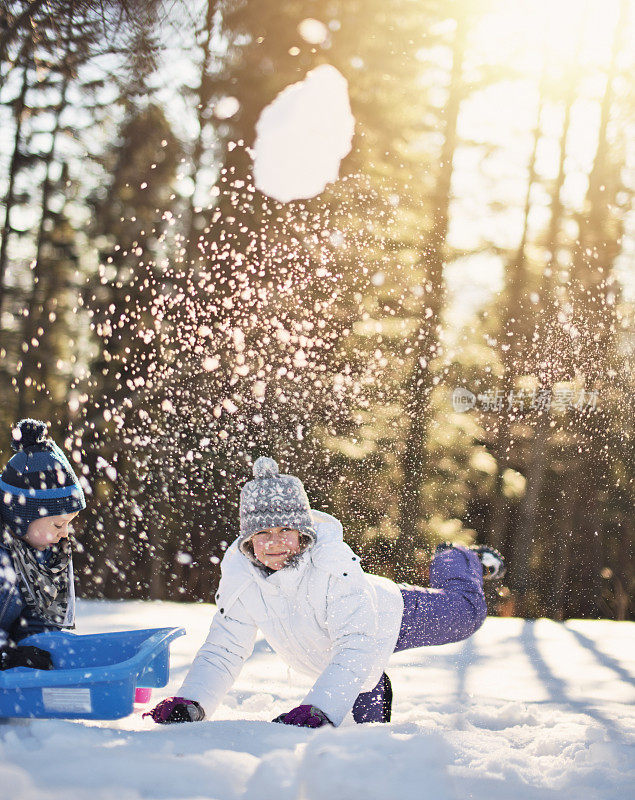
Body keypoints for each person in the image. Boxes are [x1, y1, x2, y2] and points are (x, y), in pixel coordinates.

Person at [145, 456, 504, 728]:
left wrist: (318, 708)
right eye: (262, 534)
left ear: (303, 533)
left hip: (386, 614)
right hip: (338, 655)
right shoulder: (241, 578)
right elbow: (225, 648)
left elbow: (358, 643)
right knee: (359, 739)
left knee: (466, 613)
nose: (274, 544)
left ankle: (457, 557)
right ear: (248, 539)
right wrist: (191, 703)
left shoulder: (334, 566)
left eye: (285, 530)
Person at [0, 419, 86, 671]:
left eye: (68, 524)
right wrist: (7, 655)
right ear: (23, 516)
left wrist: (38, 650)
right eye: (58, 525)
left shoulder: (46, 554)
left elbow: (43, 620)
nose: (64, 534)